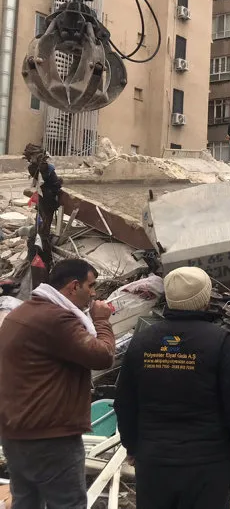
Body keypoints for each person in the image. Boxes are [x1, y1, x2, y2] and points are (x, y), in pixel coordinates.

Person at [114, 267, 230, 509]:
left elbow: (125, 402)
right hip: (206, 465)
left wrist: (132, 446)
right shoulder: (220, 343)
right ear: (205, 298)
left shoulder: (143, 341)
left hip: (154, 461)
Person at [0, 259, 115, 508]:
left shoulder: (23, 312)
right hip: (50, 437)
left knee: (26, 501)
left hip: (16, 432)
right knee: (68, 503)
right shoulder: (56, 319)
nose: (94, 294)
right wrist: (102, 320)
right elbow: (102, 356)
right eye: (91, 286)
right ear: (74, 287)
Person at [23, 143, 63, 286]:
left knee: (42, 228)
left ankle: (43, 258)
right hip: (45, 200)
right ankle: (43, 259)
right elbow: (51, 182)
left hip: (47, 200)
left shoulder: (43, 167)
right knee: (42, 229)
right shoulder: (39, 167)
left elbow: (53, 183)